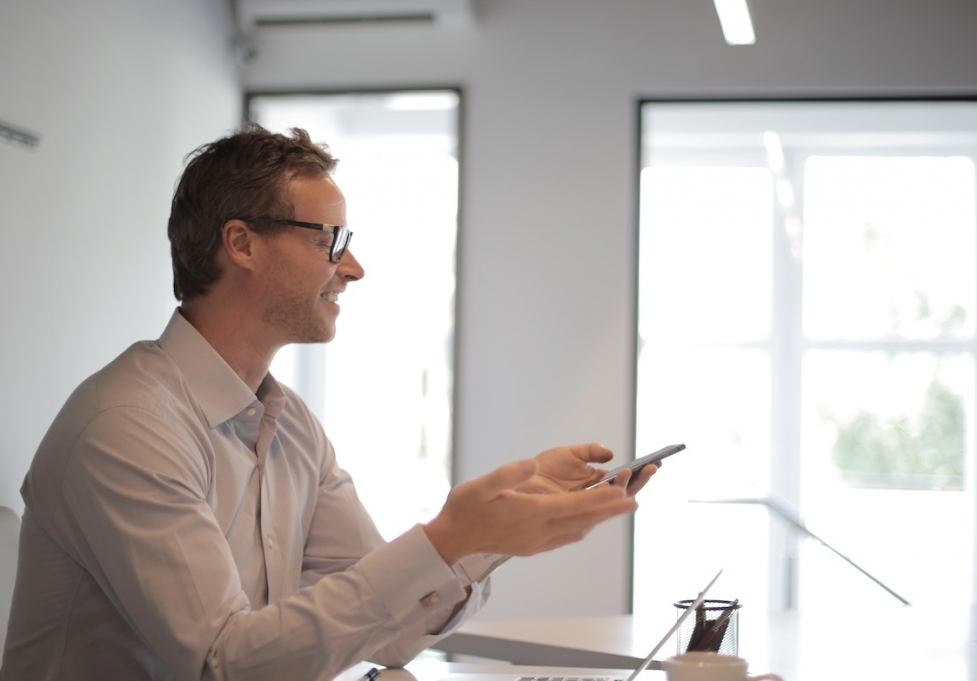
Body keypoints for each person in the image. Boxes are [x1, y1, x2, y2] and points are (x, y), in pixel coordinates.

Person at [0, 125, 656, 681]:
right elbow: (222, 663)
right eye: (328, 241)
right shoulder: (127, 425)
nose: (353, 268)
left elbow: (391, 633)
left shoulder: (289, 428)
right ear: (241, 243)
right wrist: (450, 537)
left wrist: (489, 532)